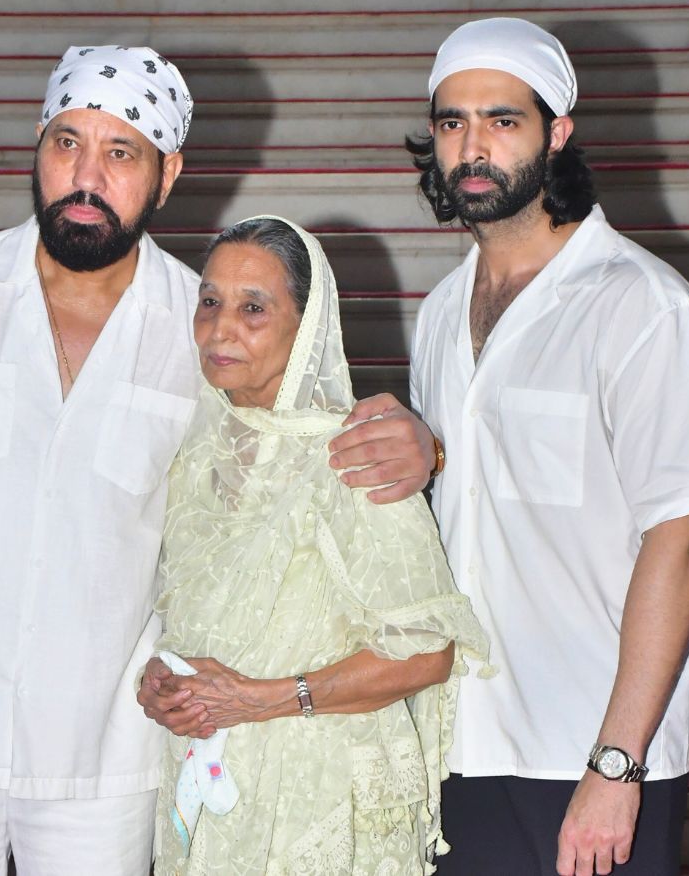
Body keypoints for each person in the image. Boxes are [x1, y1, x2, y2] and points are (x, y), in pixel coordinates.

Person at [0, 45, 437, 876]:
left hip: (108, 757)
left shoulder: (200, 328)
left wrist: (426, 443)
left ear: (167, 176)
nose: (86, 176)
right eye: (67, 143)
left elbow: (296, 435)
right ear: (37, 148)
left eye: (121, 153)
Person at [403, 17, 689, 876]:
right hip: (459, 743)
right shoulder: (440, 313)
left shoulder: (642, 306)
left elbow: (683, 536)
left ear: (556, 134)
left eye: (502, 120)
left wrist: (616, 763)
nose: (473, 147)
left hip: (589, 752)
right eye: (452, 122)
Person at [136, 215, 489, 874]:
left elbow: (426, 654)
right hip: (213, 792)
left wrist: (264, 697)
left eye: (253, 308)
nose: (220, 328)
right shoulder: (191, 452)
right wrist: (162, 680)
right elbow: (190, 620)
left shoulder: (354, 456)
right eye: (209, 302)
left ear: (307, 327)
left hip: (319, 799)